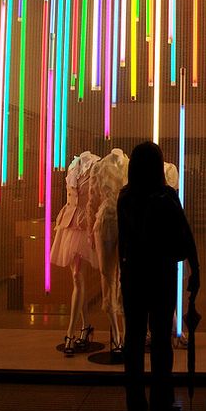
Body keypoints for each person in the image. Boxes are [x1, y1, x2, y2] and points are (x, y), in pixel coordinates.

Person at [117, 142, 200, 411]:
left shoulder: (125, 197)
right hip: (162, 273)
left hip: (134, 275)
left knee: (134, 338)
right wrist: (196, 272)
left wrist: (123, 274)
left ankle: (134, 402)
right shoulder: (167, 195)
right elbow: (185, 237)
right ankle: (161, 401)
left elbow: (123, 241)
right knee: (162, 338)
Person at [50, 151, 100, 356]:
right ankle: (85, 326)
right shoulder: (73, 167)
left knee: (78, 278)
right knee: (77, 279)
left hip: (85, 226)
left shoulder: (96, 167)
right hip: (69, 226)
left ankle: (71, 331)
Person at [87, 148, 128, 354]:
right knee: (107, 275)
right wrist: (88, 228)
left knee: (126, 276)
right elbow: (92, 200)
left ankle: (126, 333)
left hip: (127, 222)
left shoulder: (130, 166)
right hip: (104, 222)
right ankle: (115, 332)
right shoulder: (99, 167)